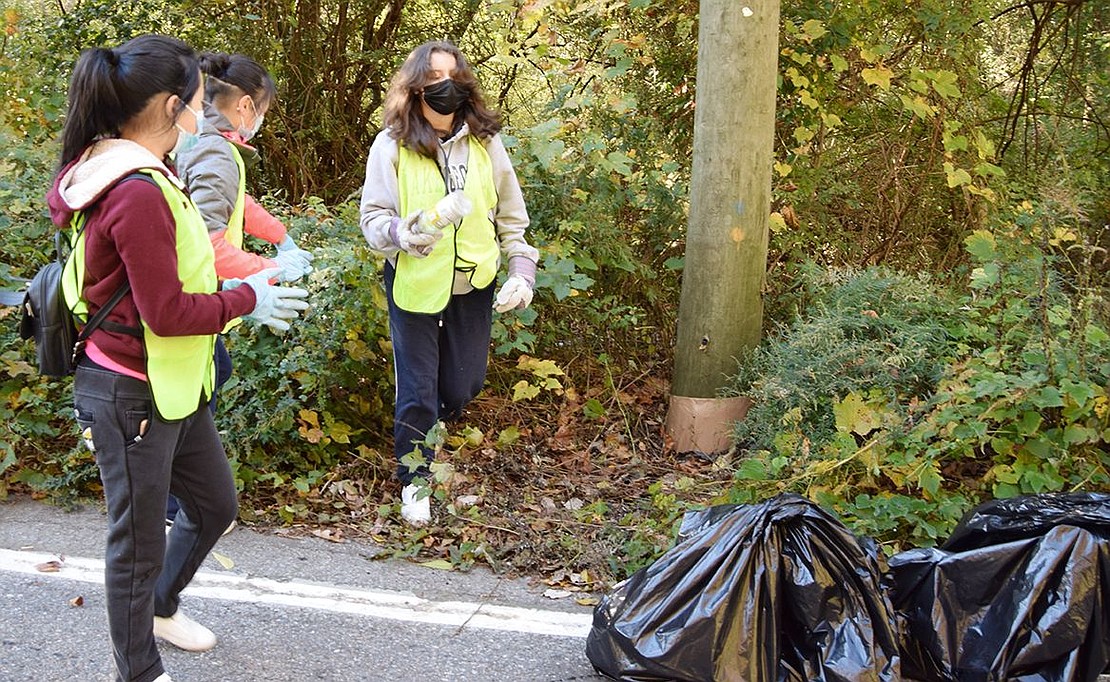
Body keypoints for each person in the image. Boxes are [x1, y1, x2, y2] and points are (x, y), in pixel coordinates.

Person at [48, 34, 309, 682]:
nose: (205, 115)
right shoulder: (135, 188)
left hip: (175, 381)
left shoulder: (135, 169)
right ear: (172, 106)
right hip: (133, 392)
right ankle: (139, 670)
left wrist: (238, 283)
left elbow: (166, 285)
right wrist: (242, 297)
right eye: (197, 102)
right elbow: (165, 311)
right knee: (135, 546)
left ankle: (162, 605)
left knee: (215, 505)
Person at [359, 40, 539, 526]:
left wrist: (522, 271)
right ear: (416, 88)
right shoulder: (391, 144)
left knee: (463, 386)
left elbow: (511, 216)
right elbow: (373, 219)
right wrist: (403, 231)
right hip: (415, 283)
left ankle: (424, 427)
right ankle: (414, 479)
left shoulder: (485, 141)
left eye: (455, 77)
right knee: (417, 390)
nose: (447, 88)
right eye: (435, 79)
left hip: (473, 283)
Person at [169, 50, 313, 527]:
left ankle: (180, 496)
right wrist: (269, 269)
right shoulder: (214, 149)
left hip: (194, 291)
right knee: (201, 386)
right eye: (265, 110)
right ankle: (180, 502)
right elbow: (208, 240)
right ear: (247, 106)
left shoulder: (204, 141)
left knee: (209, 379)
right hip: (197, 290)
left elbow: (237, 201)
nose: (262, 120)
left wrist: (278, 233)